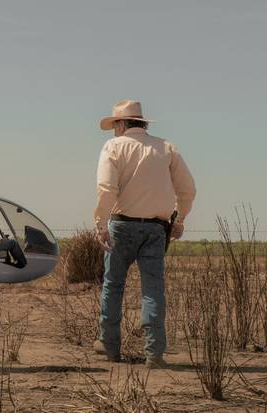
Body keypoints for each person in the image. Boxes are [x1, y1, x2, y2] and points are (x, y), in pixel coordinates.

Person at [93, 100, 196, 369]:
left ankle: (110, 346)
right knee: (153, 289)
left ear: (123, 124)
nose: (114, 130)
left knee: (113, 284)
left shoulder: (113, 147)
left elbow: (106, 188)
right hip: (156, 229)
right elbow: (187, 189)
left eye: (115, 125)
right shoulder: (166, 148)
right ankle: (154, 353)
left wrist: (101, 225)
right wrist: (180, 219)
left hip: (121, 225)